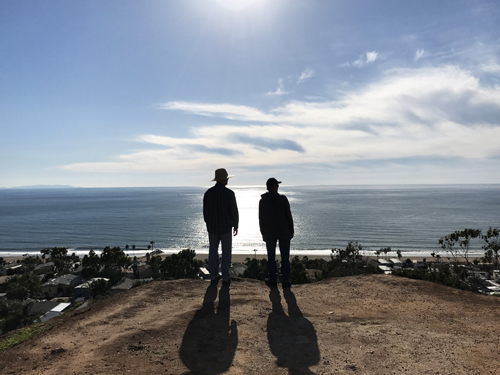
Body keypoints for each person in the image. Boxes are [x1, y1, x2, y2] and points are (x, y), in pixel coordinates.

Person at [203, 168, 239, 285]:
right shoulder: (229, 193)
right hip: (225, 227)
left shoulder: (208, 193)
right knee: (226, 251)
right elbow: (234, 211)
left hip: (212, 227)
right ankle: (226, 276)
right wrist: (236, 224)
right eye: (226, 178)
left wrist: (208, 223)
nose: (227, 181)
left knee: (213, 250)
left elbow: (205, 212)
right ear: (223, 179)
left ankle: (213, 275)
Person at [259, 178, 294, 288]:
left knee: (271, 257)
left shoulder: (263, 200)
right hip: (283, 231)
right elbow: (289, 216)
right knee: (285, 257)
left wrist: (263, 232)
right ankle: (285, 280)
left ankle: (273, 279)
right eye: (276, 185)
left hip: (269, 232)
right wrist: (291, 230)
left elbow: (261, 219)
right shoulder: (282, 199)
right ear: (274, 187)